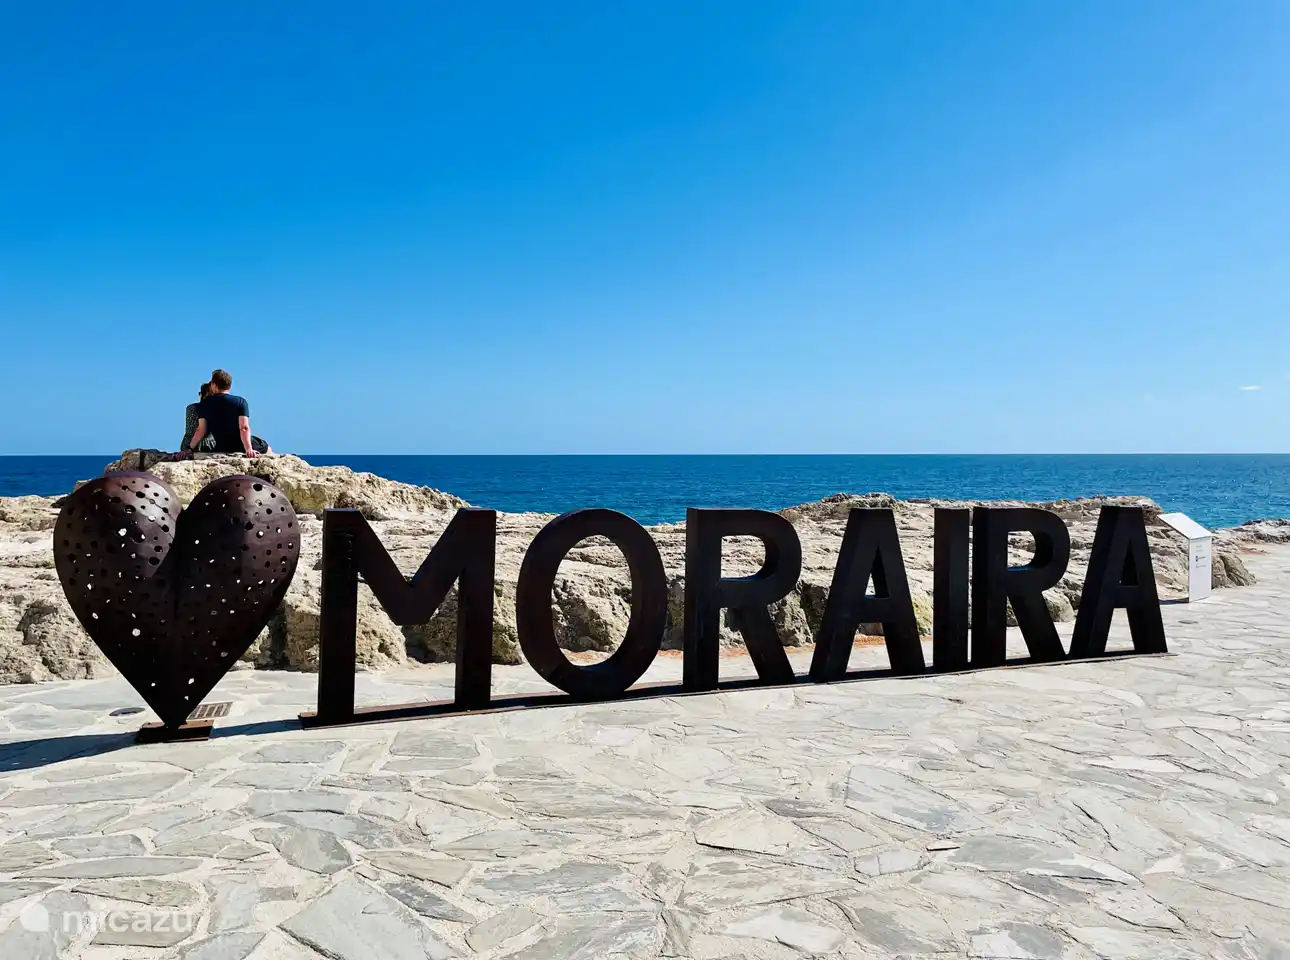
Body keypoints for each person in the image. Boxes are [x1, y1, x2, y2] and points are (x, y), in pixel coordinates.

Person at [188, 369, 272, 456]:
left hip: (221, 446)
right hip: (240, 445)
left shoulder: (204, 405)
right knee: (267, 448)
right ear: (229, 385)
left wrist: (189, 449)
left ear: (214, 385)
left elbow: (201, 430)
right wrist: (248, 449)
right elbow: (244, 427)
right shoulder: (240, 402)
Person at [180, 381, 213, 452]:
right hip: (210, 445)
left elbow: (190, 432)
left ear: (201, 394)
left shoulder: (191, 408)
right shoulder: (217, 408)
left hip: (190, 445)